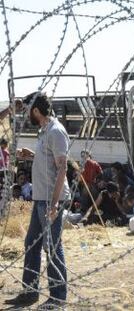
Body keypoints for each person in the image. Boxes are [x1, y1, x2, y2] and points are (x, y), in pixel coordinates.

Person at [5, 92, 70, 309]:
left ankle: (58, 297)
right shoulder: (44, 131)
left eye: (27, 112)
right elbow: (50, 161)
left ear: (35, 111)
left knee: (52, 247)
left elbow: (63, 168)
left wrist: (54, 204)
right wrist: (32, 155)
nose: (26, 117)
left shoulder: (56, 131)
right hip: (40, 198)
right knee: (31, 244)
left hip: (51, 199)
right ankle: (30, 292)